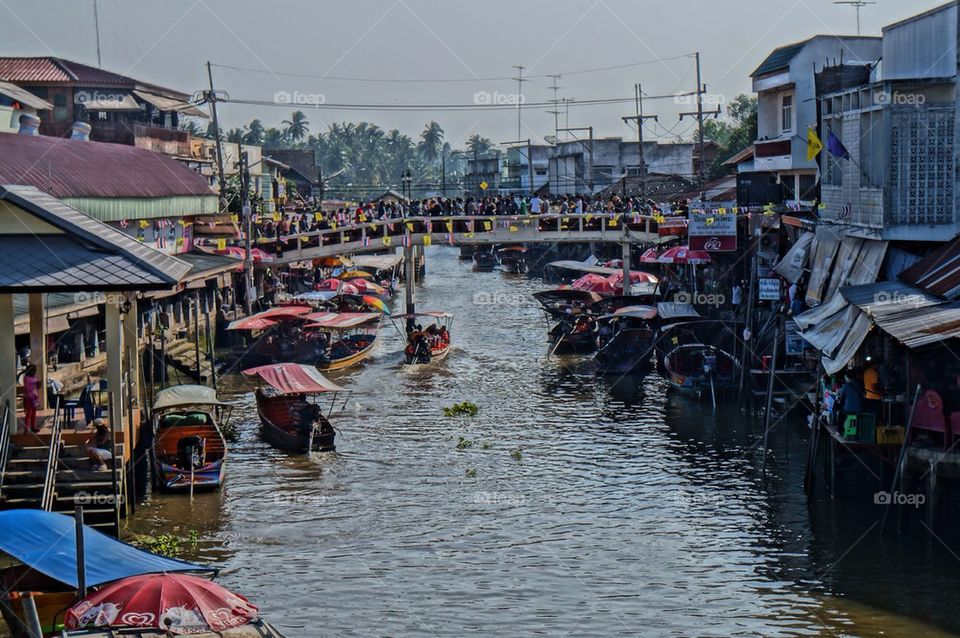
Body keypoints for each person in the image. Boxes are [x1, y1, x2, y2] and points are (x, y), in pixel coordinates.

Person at [20, 364, 40, 433]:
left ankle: (33, 427)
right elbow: (27, 388)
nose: (35, 371)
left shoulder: (34, 377)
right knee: (29, 413)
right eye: (34, 370)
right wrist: (35, 385)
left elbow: (36, 387)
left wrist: (38, 385)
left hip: (34, 397)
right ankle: (26, 429)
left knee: (34, 413)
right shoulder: (26, 378)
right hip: (28, 397)